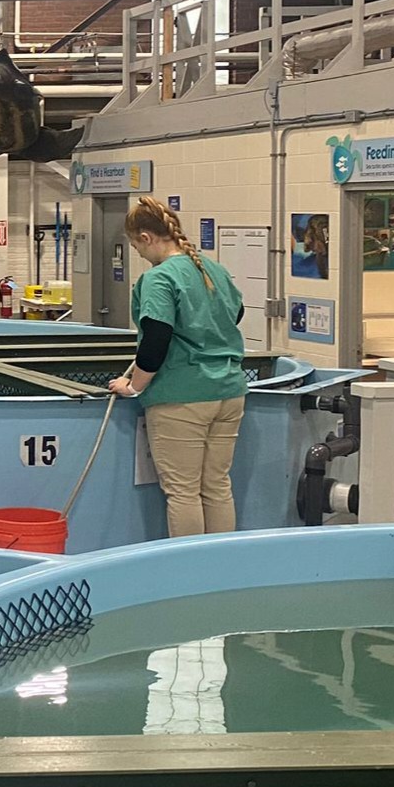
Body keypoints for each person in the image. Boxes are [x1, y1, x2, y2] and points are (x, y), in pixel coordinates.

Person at [108, 196, 248, 539]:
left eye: (135, 245)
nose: (138, 254)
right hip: (229, 391)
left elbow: (156, 339)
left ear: (146, 237)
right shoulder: (211, 268)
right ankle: (219, 569)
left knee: (183, 492)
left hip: (183, 397)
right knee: (216, 486)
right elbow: (237, 313)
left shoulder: (159, 279)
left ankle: (189, 574)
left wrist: (134, 386)